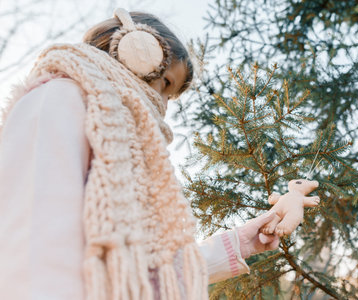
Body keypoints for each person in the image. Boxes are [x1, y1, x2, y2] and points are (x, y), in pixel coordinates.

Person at [0, 8, 280, 299]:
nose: (163, 105)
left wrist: (240, 243)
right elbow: (32, 240)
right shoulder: (57, 97)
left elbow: (150, 267)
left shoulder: (120, 142)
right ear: (136, 53)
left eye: (170, 97)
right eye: (166, 85)